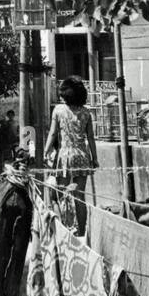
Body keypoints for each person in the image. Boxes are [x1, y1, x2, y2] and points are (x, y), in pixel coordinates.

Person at [43, 76, 98, 236]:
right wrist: (94, 158)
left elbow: (53, 133)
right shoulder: (86, 112)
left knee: (62, 194)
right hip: (82, 156)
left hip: (64, 156)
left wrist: (45, 152)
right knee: (79, 196)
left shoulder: (59, 110)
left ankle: (65, 230)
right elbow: (91, 138)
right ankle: (81, 231)